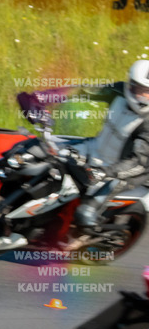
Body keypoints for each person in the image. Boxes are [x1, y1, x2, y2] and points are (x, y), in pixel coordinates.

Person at [17, 60, 149, 242]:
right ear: (130, 84)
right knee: (42, 153)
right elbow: (83, 91)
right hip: (93, 148)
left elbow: (139, 162)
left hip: (121, 173)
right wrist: (41, 98)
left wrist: (104, 173)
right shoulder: (119, 91)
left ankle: (78, 239)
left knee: (85, 214)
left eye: (148, 92)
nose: (143, 96)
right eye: (140, 89)